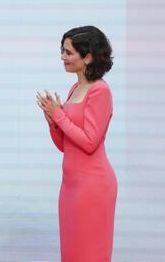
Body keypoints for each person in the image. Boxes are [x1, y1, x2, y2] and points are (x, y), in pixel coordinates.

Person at [36, 26, 117, 262]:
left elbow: (90, 142)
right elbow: (65, 145)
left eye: (68, 52)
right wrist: (52, 121)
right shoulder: (74, 88)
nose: (63, 57)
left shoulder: (100, 90)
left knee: (90, 254)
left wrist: (59, 115)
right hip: (71, 187)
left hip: (93, 187)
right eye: (62, 51)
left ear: (88, 56)